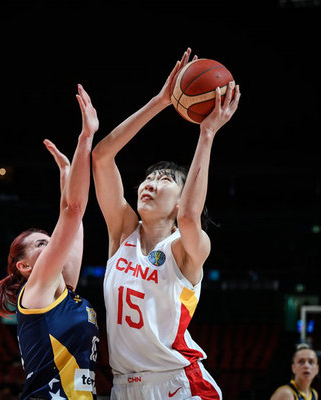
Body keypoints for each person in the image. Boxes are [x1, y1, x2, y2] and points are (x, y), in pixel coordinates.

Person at [91, 47, 240, 400]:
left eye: (164, 180)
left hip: (179, 383)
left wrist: (207, 134)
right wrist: (160, 102)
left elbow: (190, 215)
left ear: (178, 200)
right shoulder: (122, 232)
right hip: (124, 386)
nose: (150, 183)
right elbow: (101, 157)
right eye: (148, 177)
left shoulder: (187, 248)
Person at [0, 84, 100, 400]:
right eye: (41, 245)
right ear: (24, 266)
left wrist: (66, 175)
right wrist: (85, 139)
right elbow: (73, 211)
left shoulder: (64, 293)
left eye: (50, 240)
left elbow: (74, 221)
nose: (52, 245)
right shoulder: (37, 292)